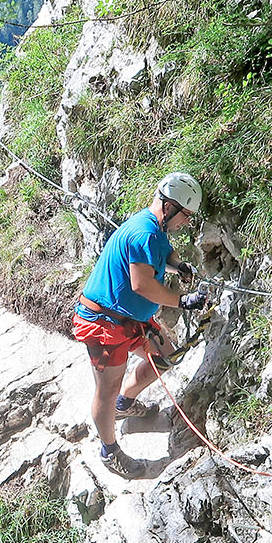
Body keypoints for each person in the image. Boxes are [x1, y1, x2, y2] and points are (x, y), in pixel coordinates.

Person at [73, 172, 207, 477]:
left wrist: (178, 265)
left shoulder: (151, 228)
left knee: (167, 356)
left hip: (130, 318)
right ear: (170, 207)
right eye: (186, 215)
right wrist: (182, 301)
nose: (186, 222)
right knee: (106, 390)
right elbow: (141, 285)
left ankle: (125, 404)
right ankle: (110, 450)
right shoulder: (144, 233)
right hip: (105, 324)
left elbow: (161, 250)